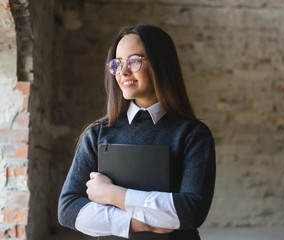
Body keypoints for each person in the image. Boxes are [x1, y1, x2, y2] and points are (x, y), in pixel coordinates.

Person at [58, 24, 216, 240]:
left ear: (161, 64)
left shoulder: (192, 134)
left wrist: (113, 194)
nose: (123, 72)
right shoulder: (97, 134)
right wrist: (139, 224)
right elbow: (68, 209)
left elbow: (190, 211)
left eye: (134, 61)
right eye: (118, 63)